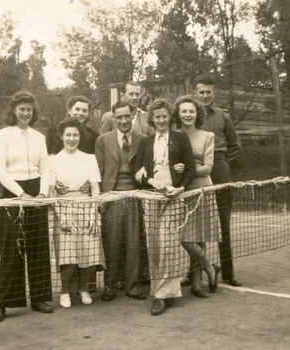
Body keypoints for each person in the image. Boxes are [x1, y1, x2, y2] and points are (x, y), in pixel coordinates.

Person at [0, 91, 53, 322]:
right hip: (13, 192)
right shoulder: (2, 135)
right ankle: (3, 303)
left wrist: (42, 193)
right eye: (21, 109)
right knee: (11, 249)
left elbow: (45, 168)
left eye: (29, 109)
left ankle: (40, 297)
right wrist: (21, 194)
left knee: (38, 247)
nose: (25, 113)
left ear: (33, 112)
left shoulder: (39, 137)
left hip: (37, 193)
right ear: (14, 111)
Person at [134, 98, 196, 315]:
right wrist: (150, 181)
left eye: (164, 116)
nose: (161, 120)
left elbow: (191, 169)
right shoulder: (145, 143)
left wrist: (179, 189)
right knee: (153, 244)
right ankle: (158, 290)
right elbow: (138, 173)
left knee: (167, 242)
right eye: (157, 116)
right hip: (151, 197)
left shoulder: (181, 138)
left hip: (174, 196)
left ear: (170, 118)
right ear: (152, 119)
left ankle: (162, 296)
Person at [94, 100, 147, 302]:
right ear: (113, 119)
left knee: (134, 243)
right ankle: (111, 285)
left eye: (127, 116)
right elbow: (98, 171)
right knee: (112, 242)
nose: (123, 120)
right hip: (111, 198)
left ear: (132, 116)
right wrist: (100, 198)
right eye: (119, 117)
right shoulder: (103, 140)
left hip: (135, 197)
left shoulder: (143, 140)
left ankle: (133, 286)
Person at [49, 117, 104, 309]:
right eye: (68, 135)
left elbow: (95, 189)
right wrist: (60, 215)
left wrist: (91, 214)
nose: (72, 138)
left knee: (88, 251)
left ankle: (84, 290)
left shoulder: (90, 159)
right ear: (61, 137)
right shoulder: (53, 161)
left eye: (75, 135)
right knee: (67, 254)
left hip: (87, 207)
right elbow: (50, 192)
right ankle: (65, 292)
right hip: (64, 209)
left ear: (80, 137)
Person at [194, 74, 243, 286]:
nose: (204, 96)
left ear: (214, 94)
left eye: (208, 92)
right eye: (201, 92)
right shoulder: (190, 115)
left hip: (220, 169)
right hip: (196, 172)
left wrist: (221, 164)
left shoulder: (223, 117)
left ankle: (229, 273)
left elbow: (235, 145)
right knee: (196, 223)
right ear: (195, 94)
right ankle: (193, 273)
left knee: (223, 222)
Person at [173, 95, 221, 298]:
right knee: (184, 237)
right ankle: (209, 266)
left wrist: (188, 170)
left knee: (198, 237)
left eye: (191, 111)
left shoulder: (207, 136)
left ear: (197, 114)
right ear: (178, 114)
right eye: (183, 111)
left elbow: (208, 167)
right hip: (181, 191)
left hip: (202, 189)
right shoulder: (172, 135)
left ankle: (195, 283)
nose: (187, 114)